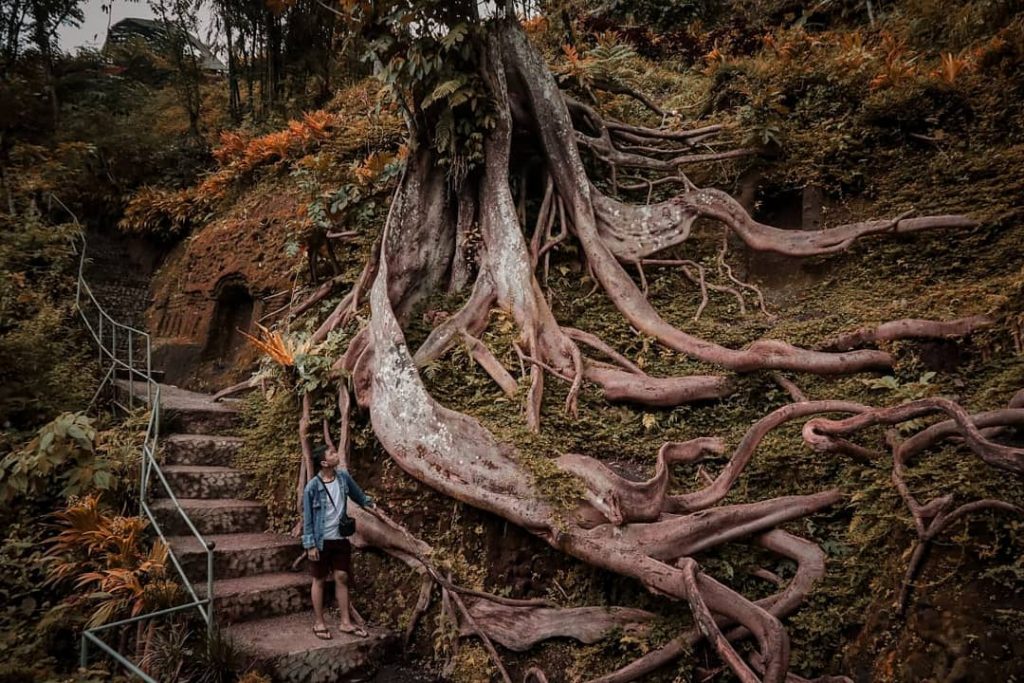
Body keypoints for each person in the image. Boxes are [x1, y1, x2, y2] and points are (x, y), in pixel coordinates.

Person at [301, 443, 374, 640]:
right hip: (321, 541)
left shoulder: (343, 478)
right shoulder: (312, 487)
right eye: (332, 453)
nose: (336, 454)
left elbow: (359, 496)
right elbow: (307, 518)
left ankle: (345, 622)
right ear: (324, 462)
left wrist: (371, 505)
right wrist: (310, 545)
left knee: (342, 577)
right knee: (319, 580)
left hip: (341, 539)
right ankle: (319, 622)